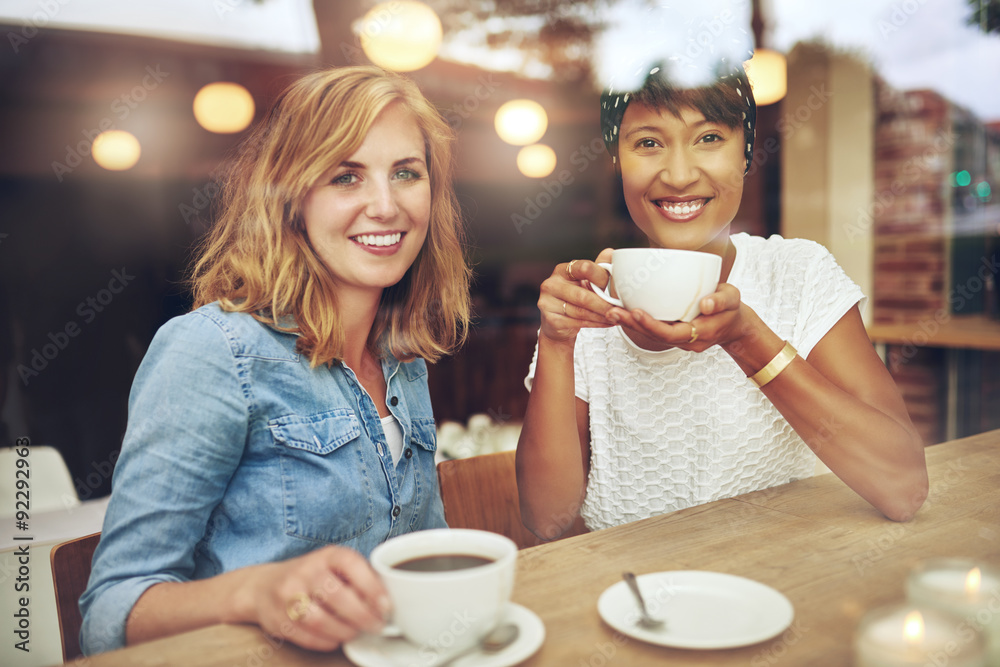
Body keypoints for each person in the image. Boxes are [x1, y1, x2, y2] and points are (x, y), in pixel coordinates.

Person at [80, 65, 471, 655]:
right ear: (291, 197)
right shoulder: (211, 350)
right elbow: (110, 611)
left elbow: (419, 553)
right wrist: (256, 592)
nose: (386, 206)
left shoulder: (400, 353)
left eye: (406, 174)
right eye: (346, 176)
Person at [515, 56, 928, 540]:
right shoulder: (587, 303)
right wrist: (558, 343)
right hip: (635, 599)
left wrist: (748, 340)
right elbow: (548, 521)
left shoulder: (796, 274)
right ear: (616, 159)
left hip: (780, 590)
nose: (678, 174)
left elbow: (903, 487)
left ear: (747, 153)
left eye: (709, 138)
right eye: (648, 143)